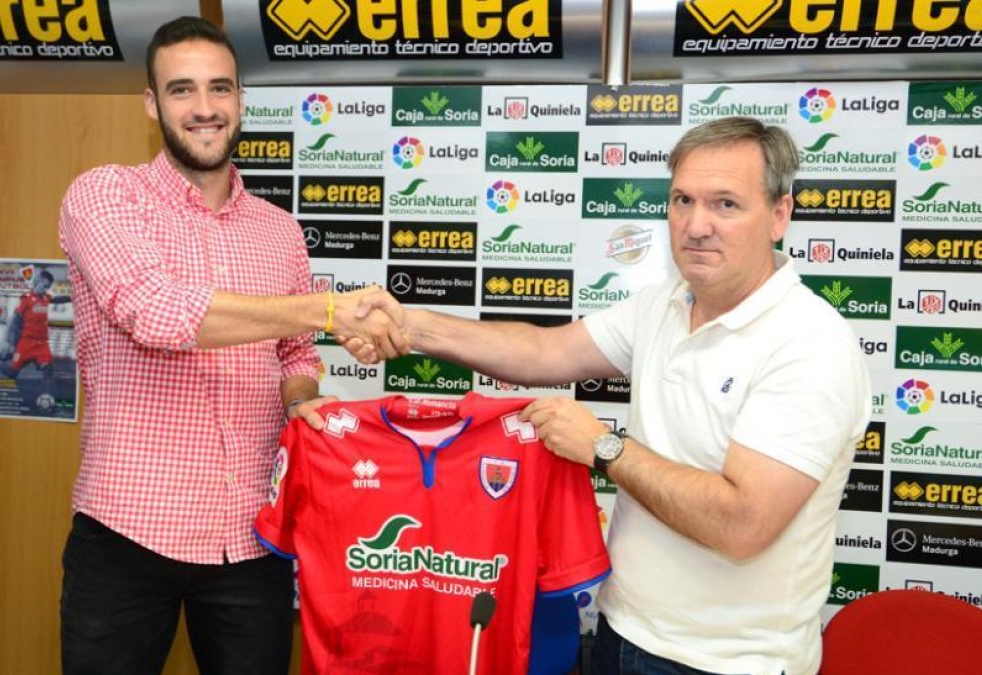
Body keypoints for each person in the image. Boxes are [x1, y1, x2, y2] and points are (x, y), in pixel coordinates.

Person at [349, 116, 871, 675]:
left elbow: (741, 524)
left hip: (729, 664)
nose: (696, 225)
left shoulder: (810, 343)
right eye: (682, 200)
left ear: (778, 216)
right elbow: (543, 354)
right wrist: (411, 325)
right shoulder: (664, 304)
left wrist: (605, 447)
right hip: (621, 635)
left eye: (725, 204)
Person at [56, 16, 405, 675]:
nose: (205, 108)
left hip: (251, 535)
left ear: (241, 100)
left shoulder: (280, 231)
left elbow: (295, 354)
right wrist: (332, 308)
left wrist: (303, 398)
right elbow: (157, 313)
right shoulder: (105, 194)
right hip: (128, 533)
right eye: (182, 90)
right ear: (152, 104)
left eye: (220, 88)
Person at [0, 267, 70, 379]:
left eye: (48, 287)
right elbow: (15, 320)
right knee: (12, 373)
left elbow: (57, 299)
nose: (46, 289)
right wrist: (10, 340)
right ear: (38, 281)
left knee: (48, 370)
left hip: (42, 344)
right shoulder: (26, 299)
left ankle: (45, 394)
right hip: (26, 343)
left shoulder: (45, 298)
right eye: (45, 285)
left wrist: (71, 298)